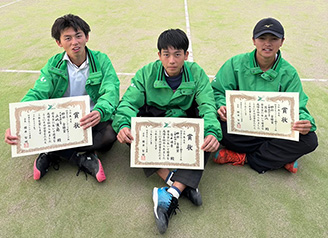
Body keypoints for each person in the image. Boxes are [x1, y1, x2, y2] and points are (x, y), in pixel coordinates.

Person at [112, 29, 221, 234]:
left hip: (183, 123)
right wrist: (123, 125)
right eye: (166, 54)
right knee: (132, 133)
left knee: (207, 138)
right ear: (159, 55)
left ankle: (169, 193)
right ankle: (179, 182)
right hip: (155, 121)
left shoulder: (197, 73)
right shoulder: (146, 73)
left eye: (177, 54)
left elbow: (208, 105)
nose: (172, 60)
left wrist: (213, 133)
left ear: (186, 56)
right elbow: (127, 103)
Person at [4, 14, 120, 182]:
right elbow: (38, 93)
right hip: (61, 120)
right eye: (67, 38)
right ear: (59, 42)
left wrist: (101, 111)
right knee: (36, 127)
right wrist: (18, 121)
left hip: (90, 119)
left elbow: (111, 90)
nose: (75, 42)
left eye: (78, 36)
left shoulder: (101, 60)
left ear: (87, 37)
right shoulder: (54, 64)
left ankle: (51, 151)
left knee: (110, 135)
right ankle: (80, 157)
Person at [211, 17, 318, 174]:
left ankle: (243, 158)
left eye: (274, 39)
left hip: (276, 130)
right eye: (262, 38)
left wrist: (306, 122)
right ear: (254, 40)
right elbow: (217, 90)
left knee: (309, 140)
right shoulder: (235, 64)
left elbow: (299, 106)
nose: (267, 44)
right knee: (218, 127)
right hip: (244, 127)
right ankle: (280, 157)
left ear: (282, 41)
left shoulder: (289, 73)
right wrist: (221, 106)